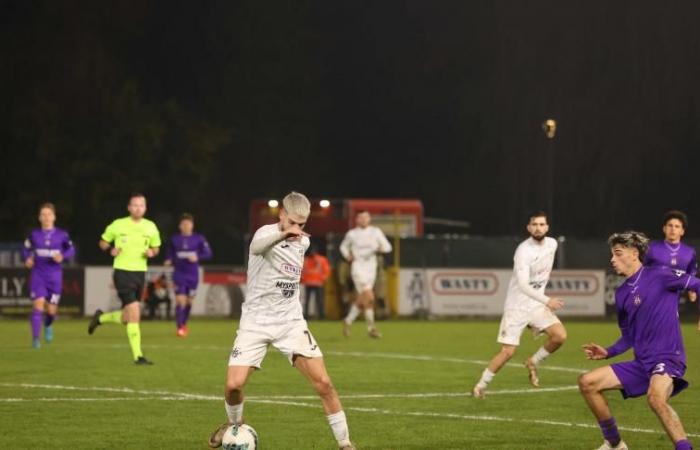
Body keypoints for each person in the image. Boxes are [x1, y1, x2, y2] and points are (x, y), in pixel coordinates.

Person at [207, 192, 355, 450]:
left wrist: (293, 235)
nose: (298, 230)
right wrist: (283, 234)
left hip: (290, 323)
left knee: (324, 383)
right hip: (255, 322)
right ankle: (232, 425)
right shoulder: (264, 234)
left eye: (303, 225)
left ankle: (345, 443)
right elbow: (256, 248)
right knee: (233, 386)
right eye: (294, 223)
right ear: (282, 215)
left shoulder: (303, 243)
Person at [579, 231, 696, 450]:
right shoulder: (622, 293)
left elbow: (697, 284)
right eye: (612, 254)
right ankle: (615, 444)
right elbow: (629, 336)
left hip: (667, 358)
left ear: (634, 254)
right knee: (587, 382)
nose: (612, 259)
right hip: (642, 363)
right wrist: (608, 351)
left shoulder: (661, 274)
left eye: (617, 253)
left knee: (655, 399)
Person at [472, 211, 566, 398]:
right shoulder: (523, 251)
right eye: (534, 225)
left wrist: (541, 302)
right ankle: (480, 385)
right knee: (508, 352)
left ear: (547, 227)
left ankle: (533, 361)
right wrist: (547, 300)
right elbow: (523, 285)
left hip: (536, 305)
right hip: (517, 306)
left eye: (541, 224)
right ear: (528, 228)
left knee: (559, 336)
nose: (538, 228)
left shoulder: (552, 244)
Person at [88, 193, 161, 365]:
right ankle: (138, 356)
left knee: (128, 317)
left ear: (145, 208)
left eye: (141, 205)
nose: (138, 208)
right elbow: (103, 242)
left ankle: (100, 318)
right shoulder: (118, 224)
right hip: (122, 272)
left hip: (140, 274)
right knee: (135, 312)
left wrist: (151, 252)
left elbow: (156, 248)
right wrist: (110, 249)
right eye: (134, 205)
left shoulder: (151, 227)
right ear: (129, 207)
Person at [22, 202, 75, 348]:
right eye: (43, 215)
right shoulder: (34, 234)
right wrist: (27, 258)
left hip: (55, 276)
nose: (46, 217)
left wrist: (63, 255)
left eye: (49, 214)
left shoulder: (62, 235)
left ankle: (48, 324)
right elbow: (25, 249)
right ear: (39, 217)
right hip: (38, 274)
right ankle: (35, 340)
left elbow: (72, 250)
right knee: (38, 305)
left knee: (51, 310)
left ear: (54, 217)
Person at [340, 210, 392, 338]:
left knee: (365, 300)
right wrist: (348, 256)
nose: (363, 219)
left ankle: (348, 321)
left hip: (371, 269)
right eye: (361, 217)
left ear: (369, 219)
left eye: (365, 217)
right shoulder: (352, 234)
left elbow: (388, 247)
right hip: (358, 268)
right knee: (369, 295)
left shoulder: (376, 232)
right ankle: (372, 328)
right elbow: (343, 247)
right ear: (357, 220)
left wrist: (381, 248)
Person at [644, 210, 698, 327]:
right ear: (664, 229)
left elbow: (691, 271)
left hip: (673, 302)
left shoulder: (689, 252)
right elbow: (641, 271)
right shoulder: (652, 248)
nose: (673, 229)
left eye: (677, 226)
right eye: (670, 225)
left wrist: (691, 290)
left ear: (682, 231)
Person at [164, 213, 212, 336]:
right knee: (180, 300)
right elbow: (169, 254)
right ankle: (179, 327)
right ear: (180, 226)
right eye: (184, 224)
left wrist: (197, 257)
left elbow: (208, 254)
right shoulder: (174, 239)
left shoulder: (199, 238)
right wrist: (168, 259)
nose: (186, 226)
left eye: (188, 223)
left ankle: (183, 323)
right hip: (179, 274)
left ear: (192, 225)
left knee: (189, 302)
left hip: (193, 275)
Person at [301, 244, 331, 319]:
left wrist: (323, 278)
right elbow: (326, 270)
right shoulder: (320, 259)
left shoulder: (307, 260)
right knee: (314, 300)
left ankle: (318, 316)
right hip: (313, 282)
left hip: (314, 282)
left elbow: (326, 270)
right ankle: (319, 316)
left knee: (314, 300)